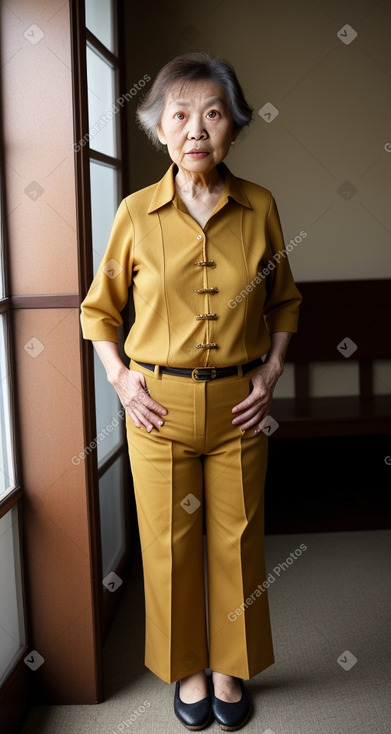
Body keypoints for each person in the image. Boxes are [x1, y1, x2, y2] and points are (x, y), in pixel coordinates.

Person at [80, 52, 302, 732]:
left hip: (239, 404)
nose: (195, 128)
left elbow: (283, 303)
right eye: (179, 114)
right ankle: (189, 671)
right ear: (158, 130)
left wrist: (268, 375)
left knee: (236, 538)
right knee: (168, 543)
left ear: (233, 126)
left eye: (211, 113)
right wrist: (120, 380)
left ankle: (231, 669)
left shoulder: (258, 205)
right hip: (158, 409)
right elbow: (98, 312)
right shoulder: (134, 213)